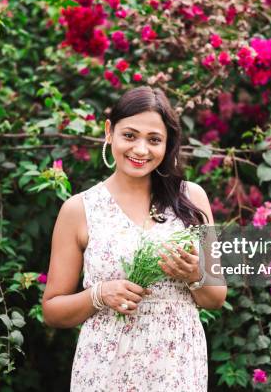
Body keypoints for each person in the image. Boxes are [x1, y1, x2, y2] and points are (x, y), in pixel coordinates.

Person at [42, 86, 227, 392]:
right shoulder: (79, 209)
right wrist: (99, 295)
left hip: (176, 367)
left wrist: (195, 274)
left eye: (154, 140)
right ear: (109, 132)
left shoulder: (193, 198)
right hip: (105, 367)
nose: (141, 150)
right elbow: (52, 310)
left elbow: (216, 298)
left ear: (167, 145)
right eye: (129, 135)